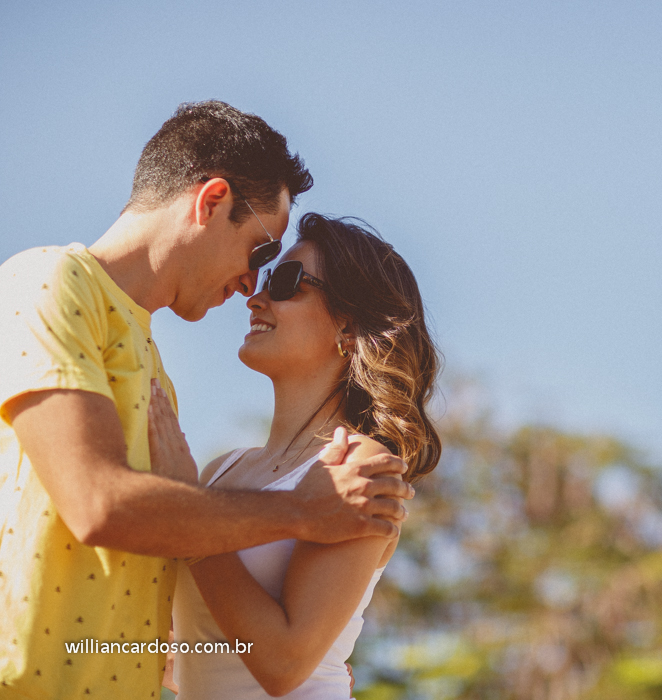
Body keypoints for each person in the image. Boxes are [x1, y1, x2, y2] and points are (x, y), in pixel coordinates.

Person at [0, 102, 413, 700]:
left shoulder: (156, 376)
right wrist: (295, 511)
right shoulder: (50, 284)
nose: (254, 288)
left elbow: (255, 651)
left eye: (282, 276)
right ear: (211, 202)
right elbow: (100, 506)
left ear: (348, 327)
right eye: (260, 254)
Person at [148, 213, 440, 698]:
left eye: (287, 282)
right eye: (263, 279)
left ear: (347, 323)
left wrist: (189, 516)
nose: (255, 298)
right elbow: (217, 648)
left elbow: (283, 664)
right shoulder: (221, 470)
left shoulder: (357, 466)